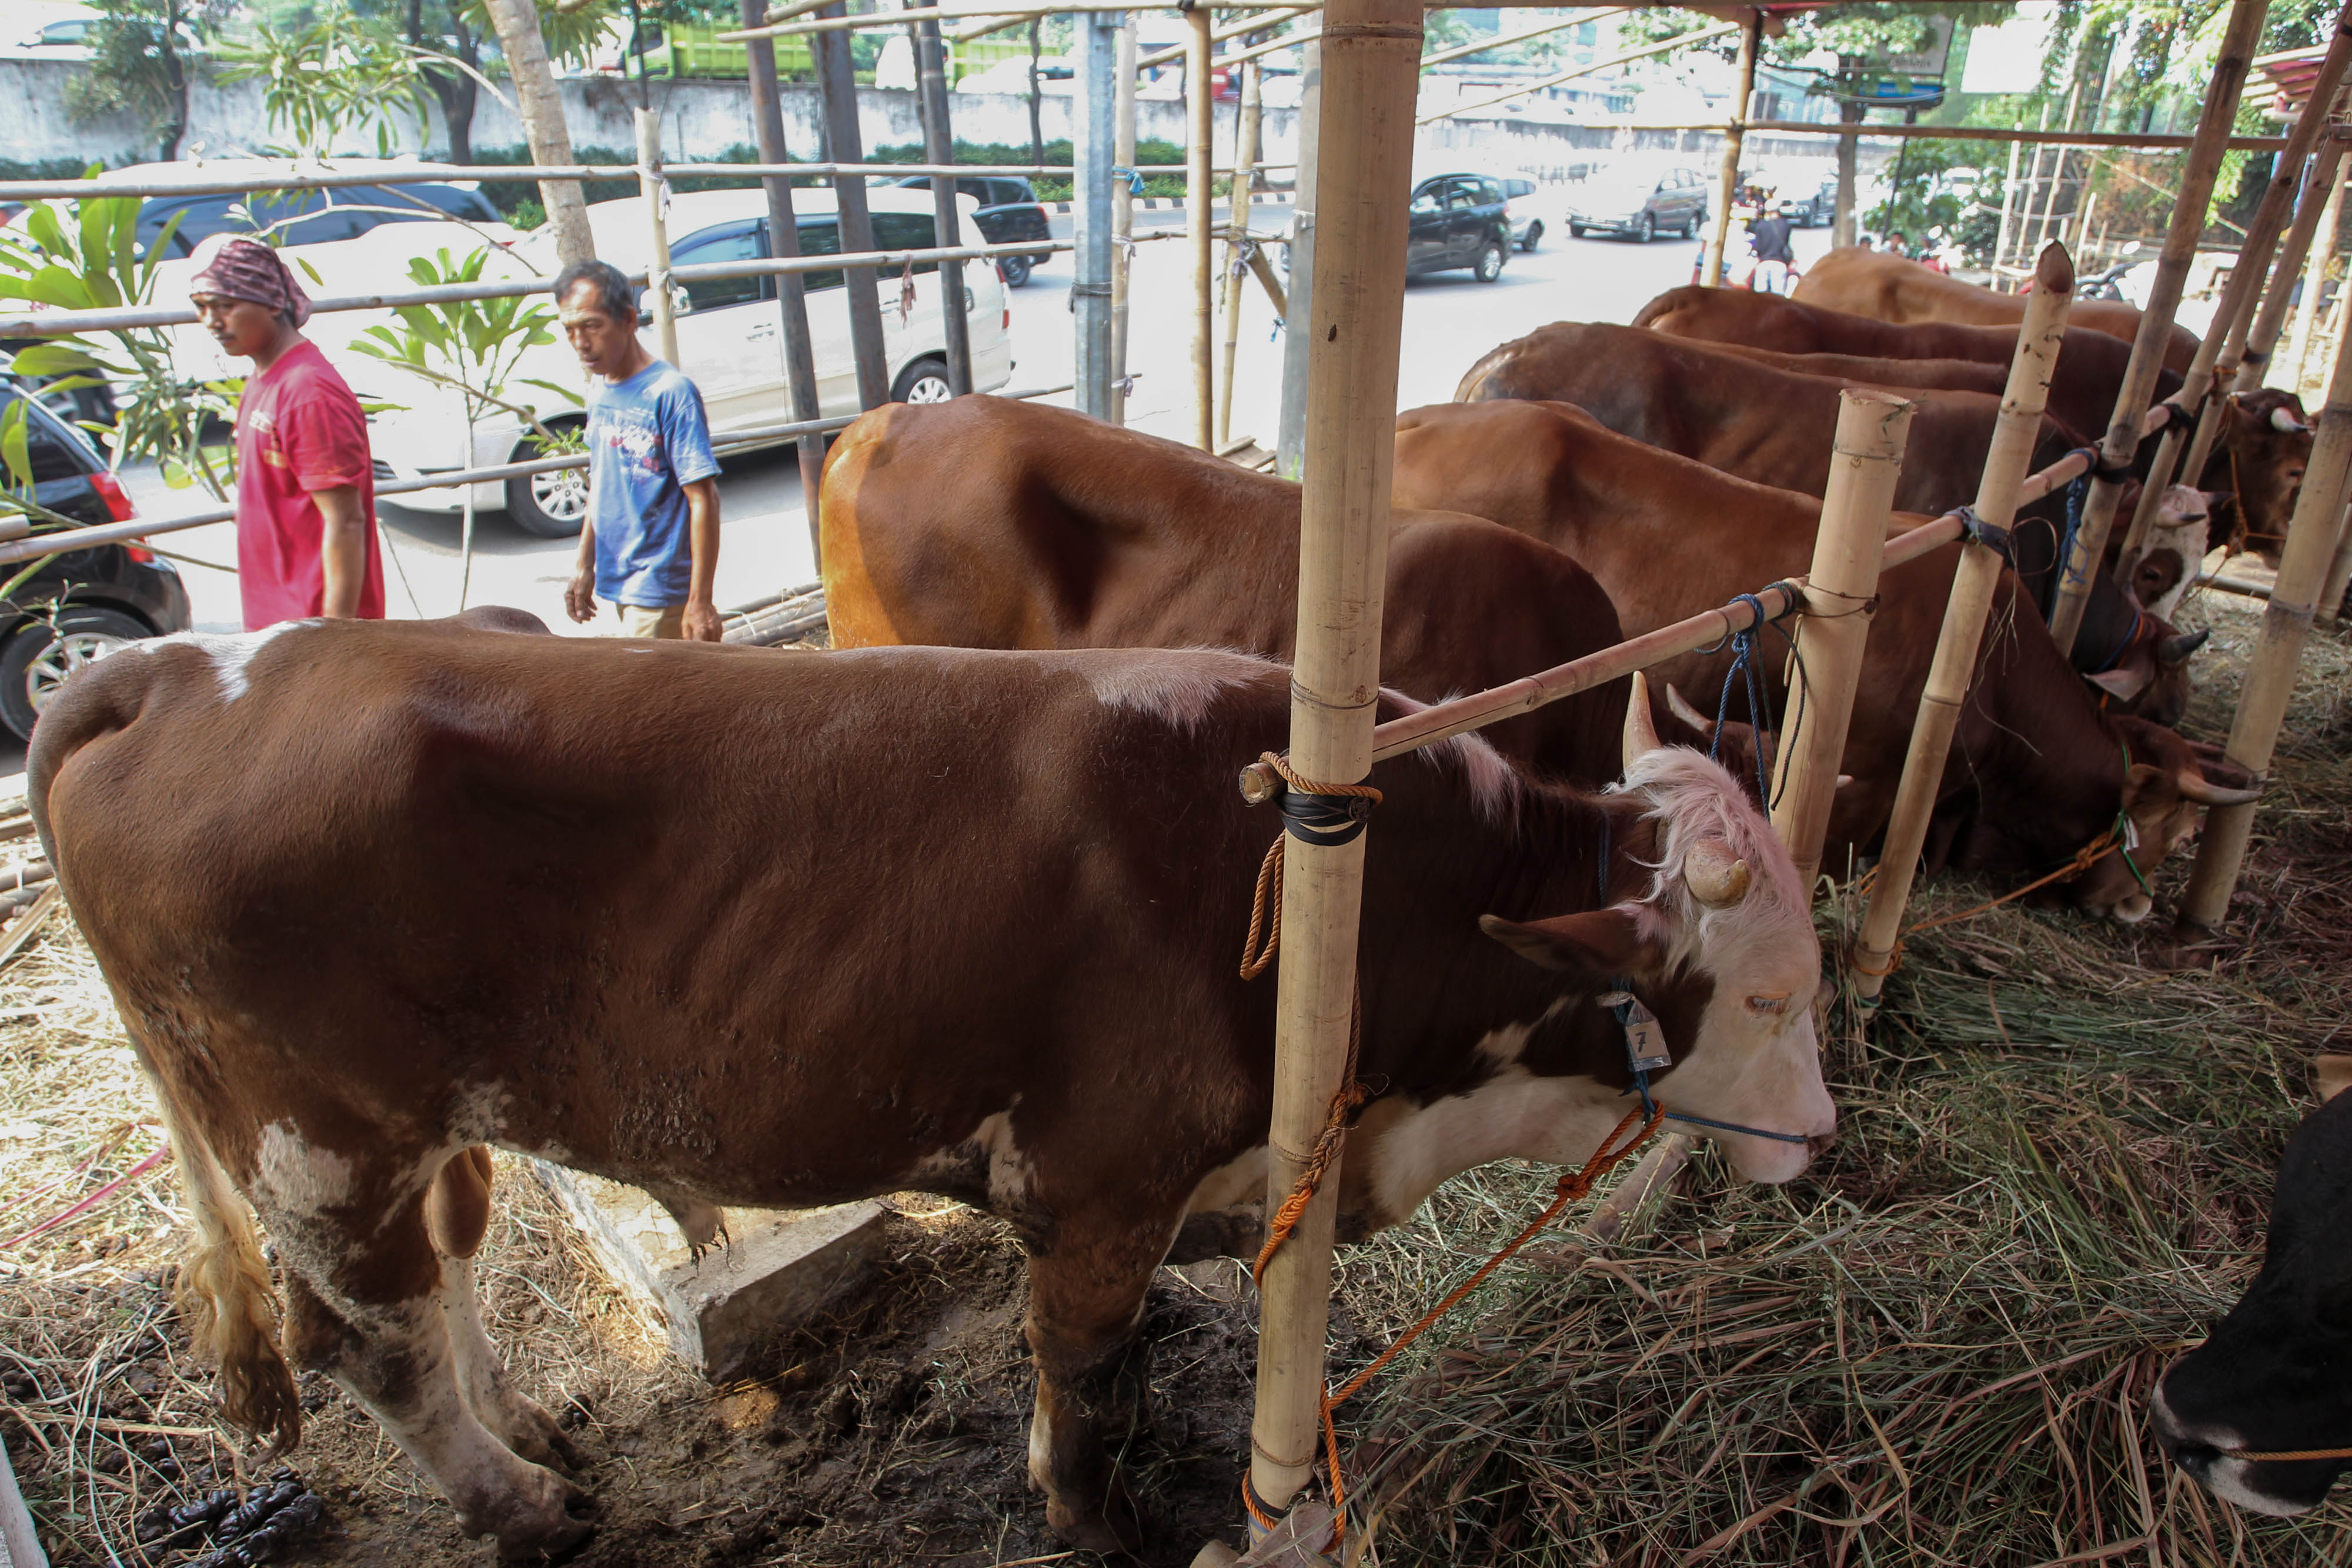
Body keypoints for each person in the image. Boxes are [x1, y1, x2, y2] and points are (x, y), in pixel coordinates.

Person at [189, 234, 384, 630]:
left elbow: (346, 521)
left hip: (312, 634)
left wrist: (332, 643)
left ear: (272, 301)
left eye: (226, 305)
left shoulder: (308, 392)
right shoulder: (263, 378)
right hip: (279, 623)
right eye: (202, 307)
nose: (212, 321)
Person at [556, 259, 723, 642]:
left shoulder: (670, 392)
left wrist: (700, 601)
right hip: (622, 579)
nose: (581, 342)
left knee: (641, 698)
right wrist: (585, 563)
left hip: (660, 584)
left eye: (592, 326)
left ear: (629, 320)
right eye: (570, 330)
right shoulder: (601, 390)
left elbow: (704, 499)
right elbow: (601, 479)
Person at [1747, 202, 1796, 295]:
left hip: (1763, 263)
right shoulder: (1786, 225)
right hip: (1780, 263)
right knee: (1778, 296)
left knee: (1760, 295)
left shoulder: (1761, 226)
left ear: (1768, 212)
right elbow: (1789, 244)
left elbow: (1757, 248)